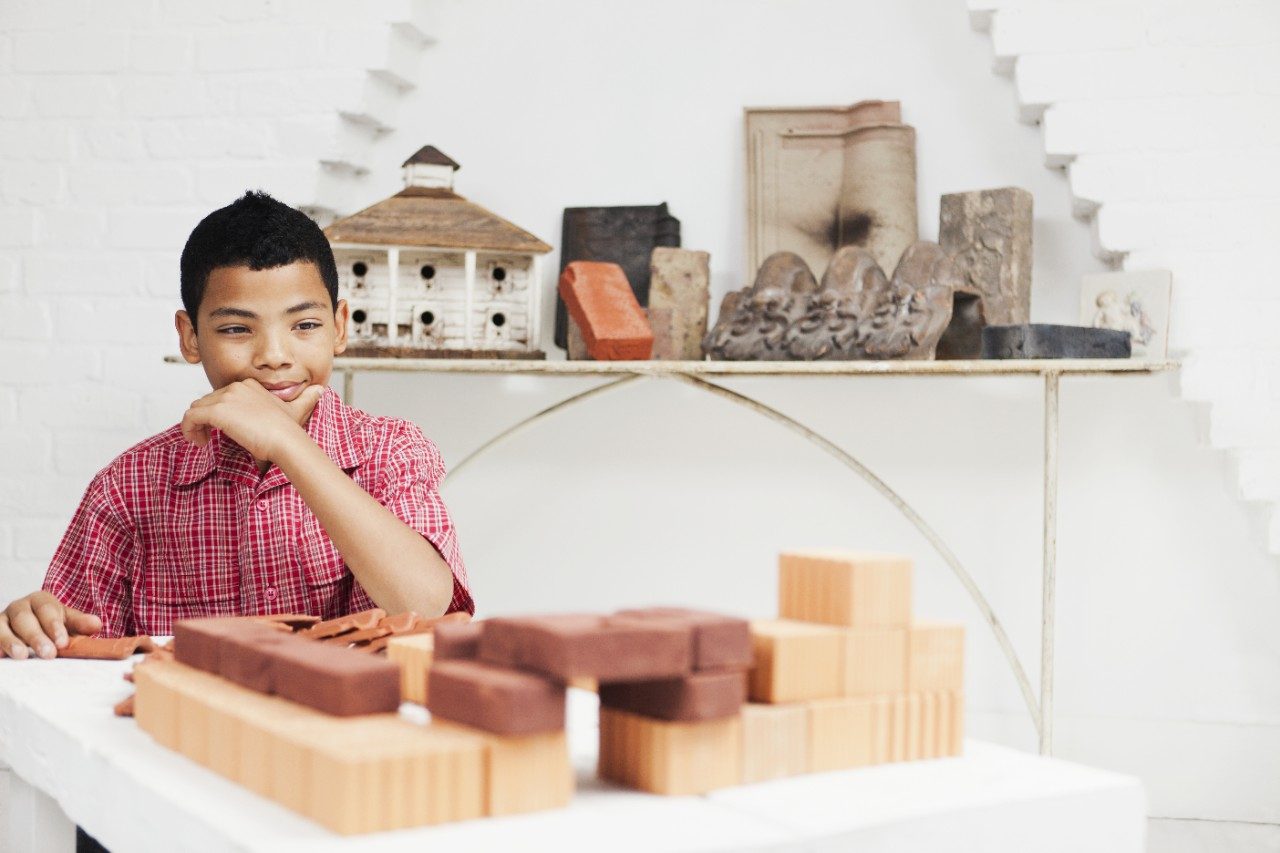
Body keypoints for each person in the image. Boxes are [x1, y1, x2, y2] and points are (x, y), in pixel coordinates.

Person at [0, 190, 472, 659]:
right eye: (236, 329)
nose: (274, 356)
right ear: (190, 337)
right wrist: (35, 628)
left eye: (305, 325)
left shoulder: (391, 449)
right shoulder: (127, 487)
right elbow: (70, 652)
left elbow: (426, 604)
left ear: (339, 326)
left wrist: (288, 444)